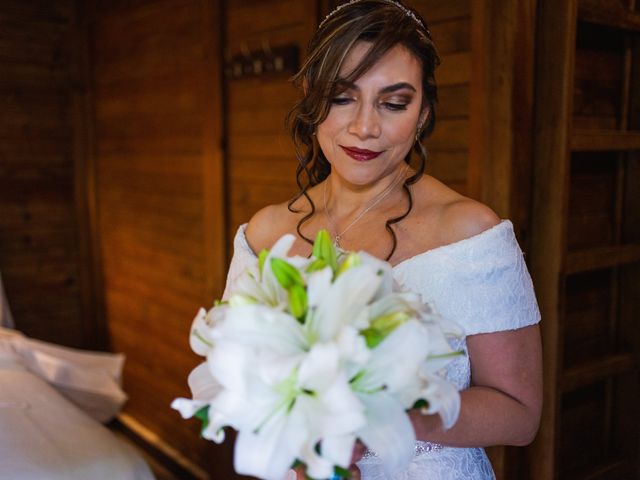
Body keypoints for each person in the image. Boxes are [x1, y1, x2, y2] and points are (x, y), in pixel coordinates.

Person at [223, 0, 543, 478]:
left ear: (423, 113)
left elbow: (520, 415)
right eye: (342, 97)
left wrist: (382, 417)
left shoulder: (469, 232)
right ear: (313, 100)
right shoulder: (268, 234)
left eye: (394, 103)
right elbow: (239, 380)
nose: (365, 127)